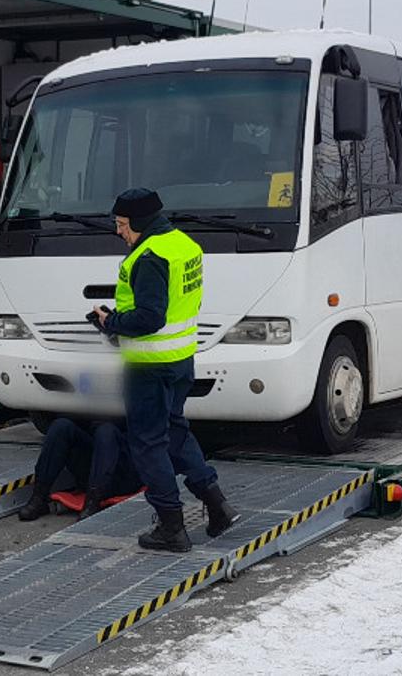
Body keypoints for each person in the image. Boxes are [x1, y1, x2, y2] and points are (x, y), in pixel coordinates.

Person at [92, 188, 238, 553]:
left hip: (150, 366)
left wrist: (111, 322)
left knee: (148, 443)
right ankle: (218, 504)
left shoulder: (150, 257)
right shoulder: (183, 245)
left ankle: (171, 527)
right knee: (175, 431)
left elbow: (150, 318)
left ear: (140, 222)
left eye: (123, 225)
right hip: (180, 359)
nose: (119, 232)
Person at [16, 417, 142, 521]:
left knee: (106, 431)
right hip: (95, 465)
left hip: (125, 469)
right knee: (61, 426)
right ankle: (39, 496)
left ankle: (93, 502)